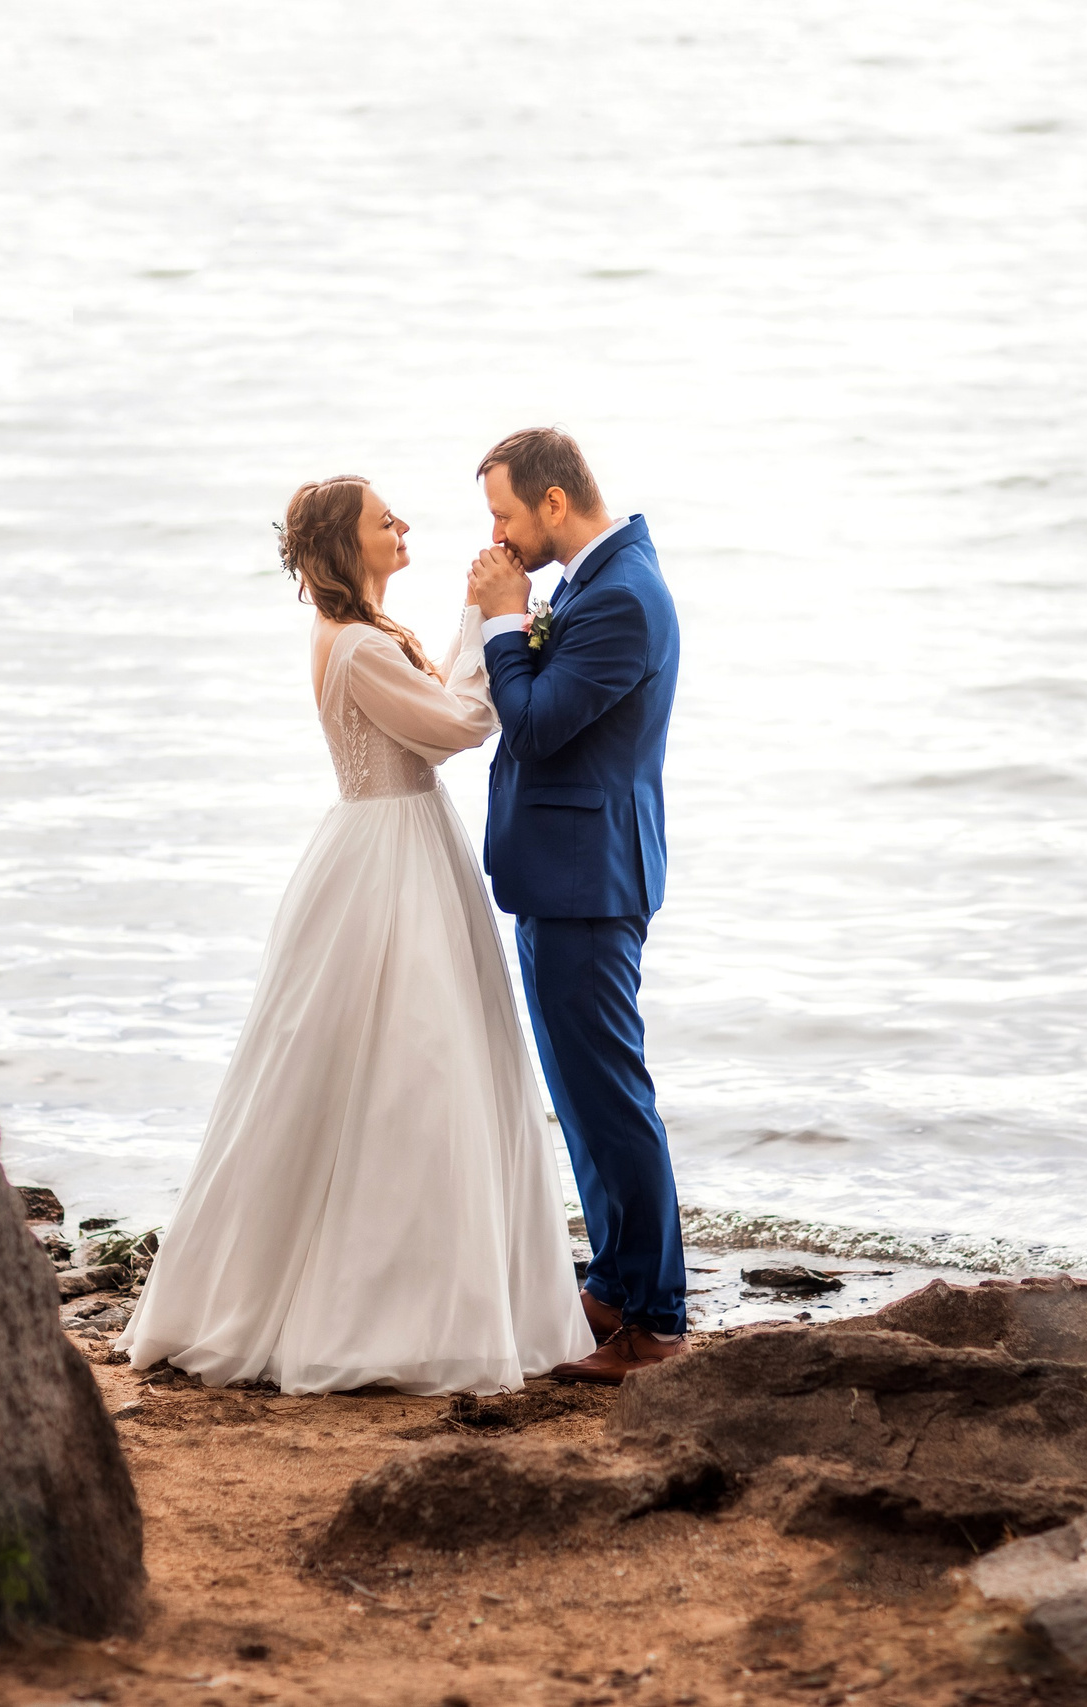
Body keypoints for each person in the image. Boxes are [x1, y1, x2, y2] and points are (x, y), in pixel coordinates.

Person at [116, 477, 591, 1394]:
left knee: (400, 1066)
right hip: (391, 857)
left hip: (396, 843)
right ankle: (387, 1307)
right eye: (385, 520)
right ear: (347, 546)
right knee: (413, 1068)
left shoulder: (360, 636)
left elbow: (436, 714)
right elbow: (454, 726)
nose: (402, 524)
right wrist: (496, 625)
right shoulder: (360, 647)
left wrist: (474, 617)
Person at [466, 428, 686, 1384]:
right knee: (579, 1095)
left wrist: (503, 622)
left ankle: (659, 1319)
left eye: (506, 514)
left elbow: (543, 723)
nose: (502, 536)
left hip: (589, 879)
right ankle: (613, 1280)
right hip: (562, 873)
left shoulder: (625, 598)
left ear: (555, 502)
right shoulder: (595, 583)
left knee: (611, 1097)